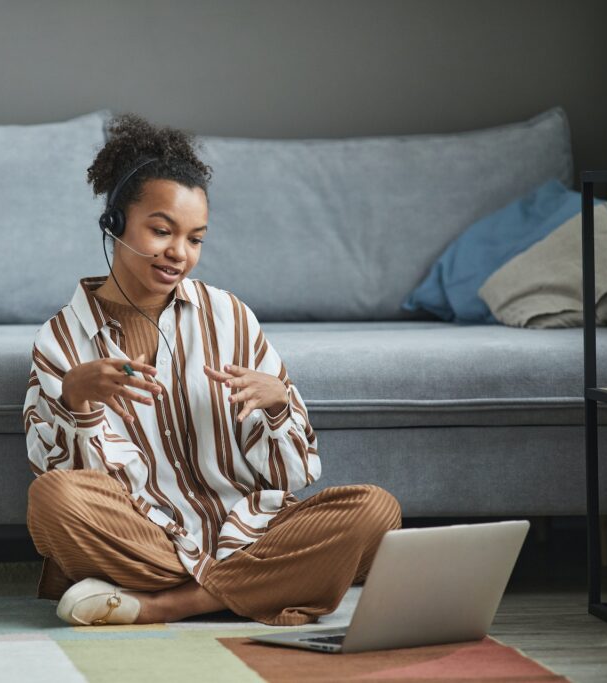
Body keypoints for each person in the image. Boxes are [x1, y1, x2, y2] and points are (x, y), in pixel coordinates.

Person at [22, 113, 402, 627]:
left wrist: (278, 405)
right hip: (146, 537)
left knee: (378, 512)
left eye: (195, 239)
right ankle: (267, 586)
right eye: (161, 231)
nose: (179, 253)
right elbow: (72, 486)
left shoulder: (230, 317)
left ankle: (170, 603)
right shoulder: (61, 341)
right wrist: (77, 401)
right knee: (52, 499)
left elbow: (292, 476)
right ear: (114, 225)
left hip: (249, 529)